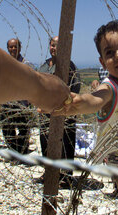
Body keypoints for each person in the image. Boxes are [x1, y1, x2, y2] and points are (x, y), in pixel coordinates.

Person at [54, 20, 118, 215]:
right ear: (102, 61)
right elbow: (93, 100)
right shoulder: (110, 88)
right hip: (117, 147)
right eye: (109, 53)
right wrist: (75, 102)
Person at [37, 36, 81, 187]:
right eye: (52, 45)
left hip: (64, 112)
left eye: (58, 45)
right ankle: (48, 173)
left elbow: (74, 88)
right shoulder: (44, 65)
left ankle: (66, 177)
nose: (54, 48)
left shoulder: (69, 66)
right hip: (44, 112)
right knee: (45, 141)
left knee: (66, 143)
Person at [0, 38, 32, 154]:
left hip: (21, 103)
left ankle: (22, 151)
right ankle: (13, 152)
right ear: (7, 48)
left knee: (23, 129)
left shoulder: (26, 64)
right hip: (6, 103)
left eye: (15, 46)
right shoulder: (4, 63)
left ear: (20, 47)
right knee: (7, 130)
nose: (13, 49)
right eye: (11, 47)